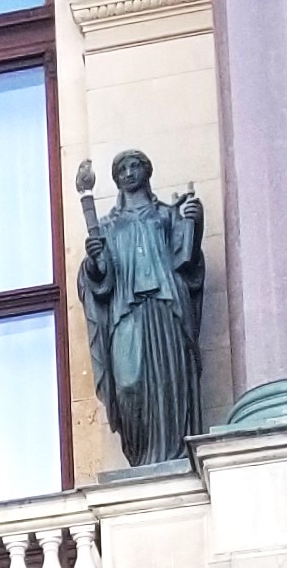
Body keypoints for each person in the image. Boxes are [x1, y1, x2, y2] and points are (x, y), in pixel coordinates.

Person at [75, 150, 205, 470]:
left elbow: (187, 261)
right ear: (116, 179)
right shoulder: (107, 225)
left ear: (147, 172)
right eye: (122, 169)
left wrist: (194, 223)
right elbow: (99, 279)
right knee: (129, 384)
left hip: (166, 308)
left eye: (135, 166)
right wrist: (93, 262)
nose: (129, 173)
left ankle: (171, 456)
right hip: (126, 312)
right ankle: (142, 456)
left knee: (168, 381)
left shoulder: (167, 215)